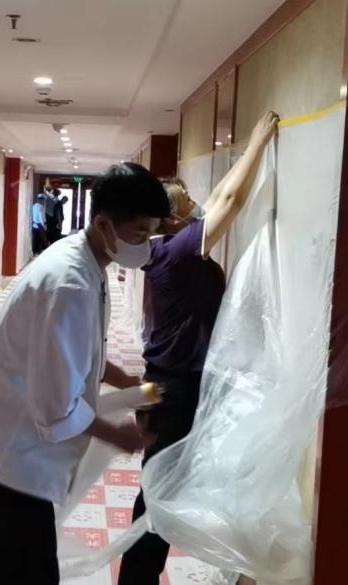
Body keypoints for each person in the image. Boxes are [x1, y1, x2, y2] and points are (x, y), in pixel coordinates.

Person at [0, 162, 170, 584]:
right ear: (104, 224)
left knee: (19, 549)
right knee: (28, 563)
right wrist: (119, 436)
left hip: (2, 424)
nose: (145, 246)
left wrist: (126, 382)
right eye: (140, 234)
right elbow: (56, 409)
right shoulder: (69, 284)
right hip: (11, 446)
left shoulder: (87, 258)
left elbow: (78, 351)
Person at [117, 111, 279, 585]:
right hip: (174, 391)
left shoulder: (166, 248)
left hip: (165, 387)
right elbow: (228, 200)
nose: (198, 204)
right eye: (188, 201)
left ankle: (141, 577)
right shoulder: (180, 253)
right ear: (173, 218)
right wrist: (257, 142)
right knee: (159, 494)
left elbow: (215, 200)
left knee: (162, 486)